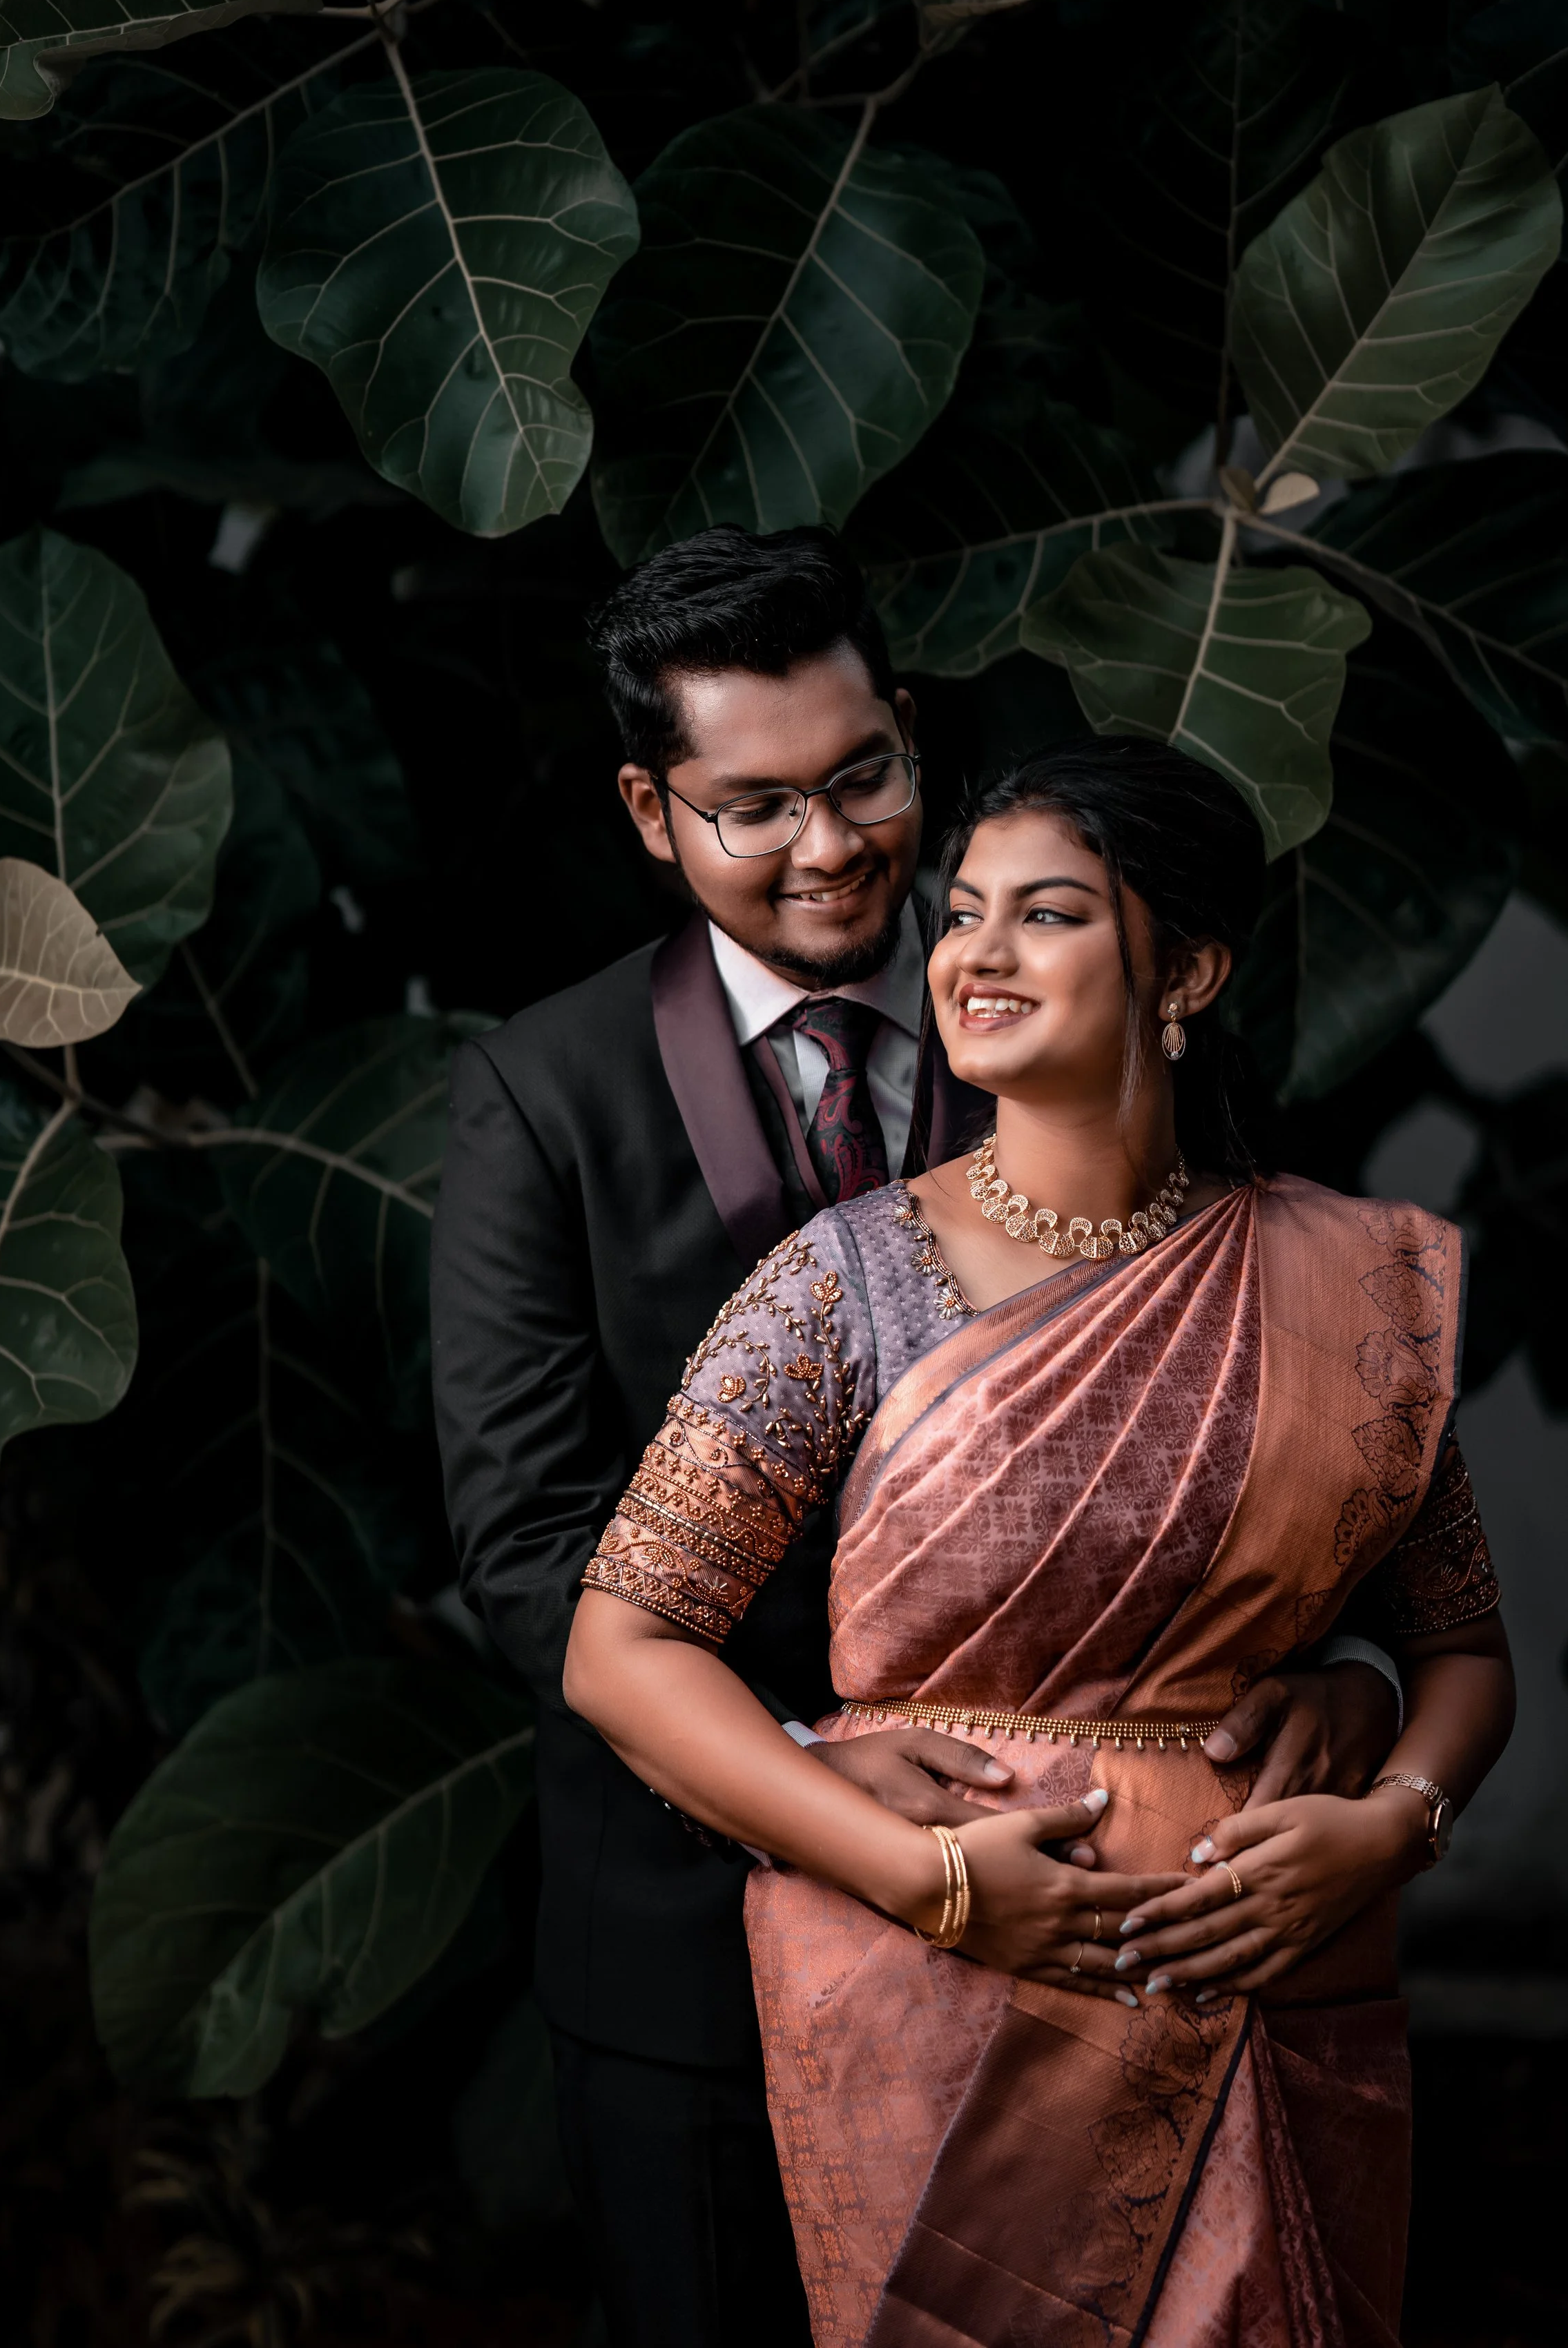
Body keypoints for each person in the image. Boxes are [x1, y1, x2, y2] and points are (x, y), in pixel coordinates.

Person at [432, 534, 1405, 2348]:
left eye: (862, 775)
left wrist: (1344, 1671)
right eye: (754, 807)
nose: (829, 845)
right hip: (694, 1945)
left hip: (1122, 1917)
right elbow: (528, 1549)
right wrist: (820, 1774)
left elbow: (1278, 1393)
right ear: (650, 810)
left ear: (907, 734)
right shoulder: (538, 1096)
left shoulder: (1098, 1008)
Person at [564, 734, 1513, 2348]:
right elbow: (622, 1648)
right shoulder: (846, 1278)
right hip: (925, 1997)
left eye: (1047, 914)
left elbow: (1462, 1650)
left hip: (1256, 1969)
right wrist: (928, 1880)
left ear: (1185, 972)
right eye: (962, 914)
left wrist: (1390, 1828)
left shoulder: (1341, 1287)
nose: (975, 955)